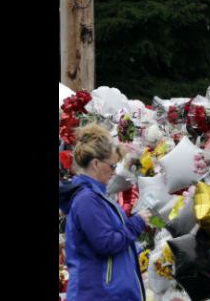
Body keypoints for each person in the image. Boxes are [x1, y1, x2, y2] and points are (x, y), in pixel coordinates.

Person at [58, 123, 152, 301]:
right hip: (99, 294)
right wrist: (137, 222)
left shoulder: (95, 196)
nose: (114, 172)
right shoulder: (87, 200)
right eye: (112, 166)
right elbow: (106, 243)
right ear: (95, 164)